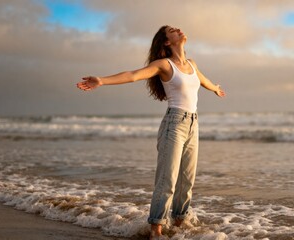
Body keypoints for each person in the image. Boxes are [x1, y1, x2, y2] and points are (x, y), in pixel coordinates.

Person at [76, 25, 225, 239]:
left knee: (187, 180)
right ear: (166, 42)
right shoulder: (164, 65)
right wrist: (102, 80)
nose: (179, 30)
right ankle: (156, 228)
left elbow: (203, 80)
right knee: (167, 180)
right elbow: (133, 75)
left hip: (193, 123)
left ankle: (180, 222)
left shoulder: (191, 64)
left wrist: (215, 88)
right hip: (174, 124)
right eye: (173, 30)